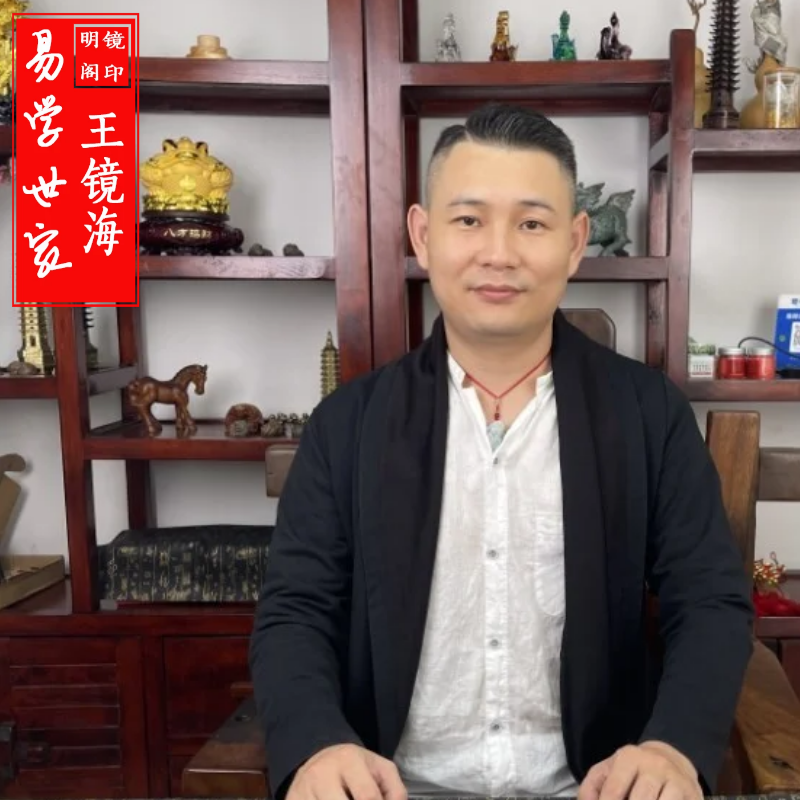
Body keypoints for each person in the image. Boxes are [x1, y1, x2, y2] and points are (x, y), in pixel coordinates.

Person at [249, 102, 754, 800]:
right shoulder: (349, 425)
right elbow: (295, 611)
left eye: (531, 224)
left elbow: (709, 601)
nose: (499, 253)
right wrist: (317, 745)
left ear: (575, 242)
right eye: (468, 220)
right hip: (392, 786)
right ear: (423, 235)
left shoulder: (647, 413)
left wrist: (672, 749)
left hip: (595, 786)